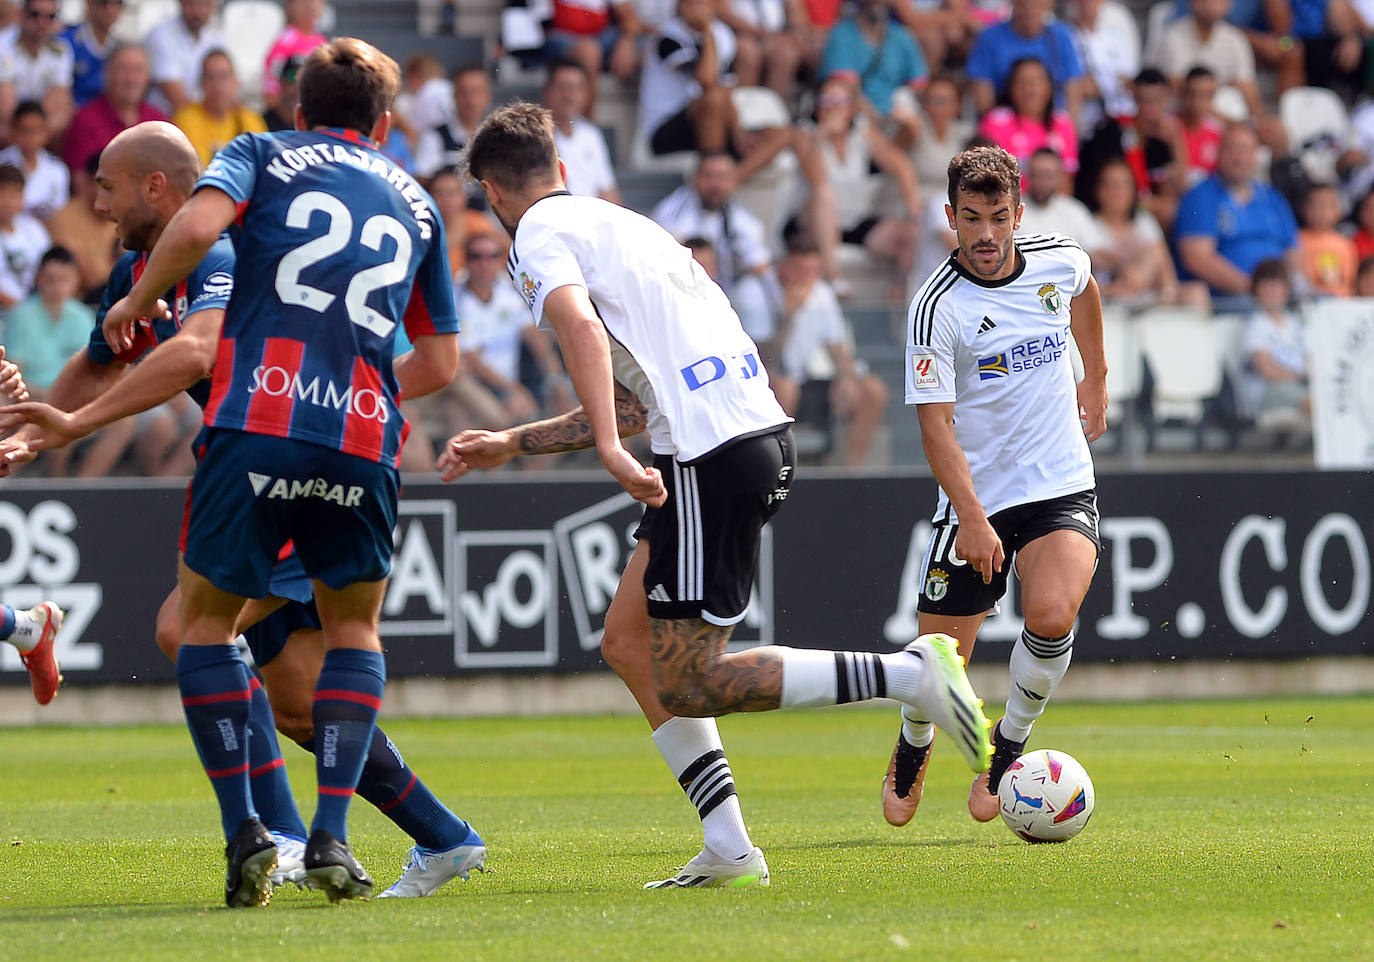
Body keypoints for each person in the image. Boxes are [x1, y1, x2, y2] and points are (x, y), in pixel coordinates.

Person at [442, 101, 993, 888]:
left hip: (710, 454)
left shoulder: (538, 234)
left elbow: (580, 333)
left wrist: (602, 446)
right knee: (630, 644)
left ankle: (909, 677)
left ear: (494, 195)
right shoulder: (621, 224)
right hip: (743, 438)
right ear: (562, 169)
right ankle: (730, 847)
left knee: (690, 677)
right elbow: (638, 396)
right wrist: (514, 441)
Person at [12, 40, 465, 906]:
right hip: (357, 437)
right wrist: (33, 431)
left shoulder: (237, 214)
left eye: (105, 186)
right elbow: (100, 357)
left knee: (192, 632)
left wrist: (73, 415)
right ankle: (435, 838)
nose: (93, 202)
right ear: (384, 122)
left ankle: (281, 837)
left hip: (263, 434)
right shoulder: (414, 202)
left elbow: (195, 345)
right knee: (299, 692)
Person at [880, 144, 1108, 830]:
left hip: (1058, 482)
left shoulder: (1057, 258)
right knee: (935, 666)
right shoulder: (935, 308)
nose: (985, 235)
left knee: (1052, 616)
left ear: (1018, 213)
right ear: (950, 216)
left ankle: (1007, 748)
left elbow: (1086, 292)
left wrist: (1095, 377)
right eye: (971, 218)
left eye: (998, 218)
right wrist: (973, 518)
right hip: (975, 500)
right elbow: (936, 427)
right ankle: (914, 744)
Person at [771, 230, 890, 467]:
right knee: (785, 387)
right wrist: (787, 317)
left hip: (821, 380)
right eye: (800, 271)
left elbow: (836, 344)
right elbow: (767, 356)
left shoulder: (823, 294)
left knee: (874, 390)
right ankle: (781, 467)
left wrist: (847, 377)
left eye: (812, 272)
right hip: (782, 377)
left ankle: (851, 469)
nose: (806, 279)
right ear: (785, 268)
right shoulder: (763, 292)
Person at [652, 151, 778, 342]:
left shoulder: (741, 217)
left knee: (752, 290)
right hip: (683, 292)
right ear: (694, 179)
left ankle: (760, 355)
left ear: (733, 181)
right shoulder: (672, 213)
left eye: (723, 177)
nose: (715, 185)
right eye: (708, 176)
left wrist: (782, 307)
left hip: (726, 291)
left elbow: (761, 266)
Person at [1175, 122, 1298, 299]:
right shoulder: (1199, 197)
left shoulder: (1273, 198)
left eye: (1246, 150)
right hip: (1229, 302)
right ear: (1219, 152)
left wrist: (1285, 289)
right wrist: (1254, 290)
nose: (1239, 158)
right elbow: (1197, 258)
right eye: (1232, 149)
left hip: (1278, 299)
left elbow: (1293, 252)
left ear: (1255, 156)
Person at [1090, 157, 1208, 308]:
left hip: (1147, 293)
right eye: (1110, 185)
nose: (1117, 192)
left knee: (1196, 292)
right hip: (1107, 297)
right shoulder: (1088, 222)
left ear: (1133, 190)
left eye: (1123, 185)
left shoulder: (1143, 220)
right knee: (1151, 253)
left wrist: (1167, 291)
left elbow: (1163, 263)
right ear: (1098, 189)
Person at [819, 0, 928, 144]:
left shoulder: (902, 36)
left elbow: (919, 84)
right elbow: (846, 86)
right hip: (858, 117)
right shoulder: (841, 34)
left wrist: (900, 109)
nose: (877, 5)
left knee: (911, 121)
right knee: (844, 102)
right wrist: (878, 119)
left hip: (895, 117)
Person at [965, 0, 1085, 121]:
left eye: (1036, 5)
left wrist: (1065, 130)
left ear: (1048, 5)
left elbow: (1073, 91)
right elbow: (983, 97)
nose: (1030, 11)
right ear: (1014, 3)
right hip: (1006, 122)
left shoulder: (1061, 37)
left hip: (1050, 122)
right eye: (1024, 5)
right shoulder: (989, 38)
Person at [61, 43, 166, 175]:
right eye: (124, 69)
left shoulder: (158, 122)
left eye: (138, 70)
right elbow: (80, 182)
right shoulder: (86, 120)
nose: (131, 79)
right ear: (107, 74)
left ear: (148, 78)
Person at [1241, 257, 1310, 429]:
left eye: (1277, 285)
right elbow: (1266, 370)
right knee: (1315, 402)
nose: (1272, 291)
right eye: (1266, 285)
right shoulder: (1256, 325)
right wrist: (1300, 376)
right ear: (1255, 290)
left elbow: (1310, 359)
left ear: (1287, 289)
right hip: (1268, 391)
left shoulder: (1296, 323)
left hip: (1299, 385)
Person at [543, 58, 620, 204]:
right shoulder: (535, 135)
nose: (569, 96)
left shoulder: (591, 134)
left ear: (586, 94)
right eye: (563, 88)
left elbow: (608, 189)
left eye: (576, 88)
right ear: (547, 91)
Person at [172, 49, 267, 166]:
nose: (217, 85)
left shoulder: (251, 119)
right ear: (201, 83)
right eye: (210, 77)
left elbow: (261, 166)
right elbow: (196, 169)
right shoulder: (187, 118)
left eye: (224, 77)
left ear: (236, 82)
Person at [45, 153, 118, 302]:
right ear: (88, 182)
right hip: (81, 304)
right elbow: (91, 280)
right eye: (103, 185)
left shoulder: (128, 214)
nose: (108, 192)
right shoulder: (64, 218)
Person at [0, 0, 74, 140]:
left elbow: (59, 102)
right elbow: (6, 110)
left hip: (39, 129)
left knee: (65, 115)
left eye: (50, 16)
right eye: (35, 14)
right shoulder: (2, 46)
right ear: (21, 14)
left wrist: (34, 132)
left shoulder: (61, 50)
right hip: (8, 128)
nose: (42, 21)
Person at [143, 0, 226, 115]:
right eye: (191, 4)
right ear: (180, 3)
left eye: (205, 4)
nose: (198, 12)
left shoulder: (215, 37)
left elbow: (227, 86)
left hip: (200, 119)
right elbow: (179, 101)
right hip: (164, 122)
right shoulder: (161, 36)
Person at [412, 63, 490, 181]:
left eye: (476, 91)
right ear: (454, 96)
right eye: (463, 92)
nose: (470, 100)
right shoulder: (434, 135)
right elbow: (423, 178)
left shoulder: (499, 136)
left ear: (487, 95)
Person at [1016, 148, 1104, 251]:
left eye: (1048, 176)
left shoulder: (1074, 210)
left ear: (1060, 177)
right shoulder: (1014, 209)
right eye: (1036, 174)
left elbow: (1096, 249)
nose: (1042, 182)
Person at [0, 100, 70, 222]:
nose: (30, 137)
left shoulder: (57, 169)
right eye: (25, 130)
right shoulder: (2, 162)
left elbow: (60, 210)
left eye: (36, 130)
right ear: (13, 131)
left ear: (46, 133)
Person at [0, 162, 51, 313]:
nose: (8, 201)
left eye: (15, 194)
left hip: (37, 309)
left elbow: (49, 267)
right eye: (3, 193)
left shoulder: (33, 228)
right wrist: (23, 310)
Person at [262, 0, 325, 115]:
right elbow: (271, 95)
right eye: (303, 1)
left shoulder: (321, 41)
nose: (311, 6)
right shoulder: (284, 43)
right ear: (290, 6)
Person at [1296, 182, 1358, 297]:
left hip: (1342, 304)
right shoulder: (1295, 240)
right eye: (1315, 205)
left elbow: (1350, 281)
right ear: (1304, 208)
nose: (1320, 212)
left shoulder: (1346, 244)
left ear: (1339, 211)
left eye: (1327, 206)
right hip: (1309, 303)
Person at [60, 0, 124, 108]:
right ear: (89, 3)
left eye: (117, 3)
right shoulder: (66, 41)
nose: (110, 9)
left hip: (106, 117)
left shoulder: (120, 46)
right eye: (103, 3)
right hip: (74, 116)